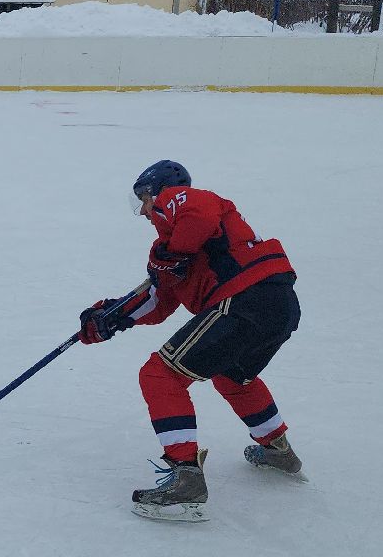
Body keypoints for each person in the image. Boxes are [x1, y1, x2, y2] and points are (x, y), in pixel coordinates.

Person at [75, 160, 301, 523]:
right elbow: (157, 301)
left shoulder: (186, 201)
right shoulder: (168, 249)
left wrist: (173, 252)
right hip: (278, 305)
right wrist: (111, 317)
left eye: (145, 199)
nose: (145, 211)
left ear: (161, 190)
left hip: (244, 298)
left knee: (159, 375)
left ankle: (186, 477)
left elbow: (199, 214)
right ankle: (278, 448)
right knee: (232, 376)